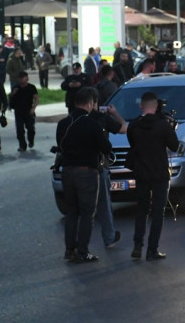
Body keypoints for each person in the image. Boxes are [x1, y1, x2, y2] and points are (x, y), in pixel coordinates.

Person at [56, 87, 111, 263]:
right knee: (87, 214)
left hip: (68, 172)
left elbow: (60, 145)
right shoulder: (91, 124)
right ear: (89, 104)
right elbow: (106, 148)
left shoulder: (63, 123)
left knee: (72, 213)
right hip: (87, 172)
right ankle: (83, 251)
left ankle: (69, 250)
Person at [128, 92, 180, 261]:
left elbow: (132, 144)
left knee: (141, 210)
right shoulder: (162, 126)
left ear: (141, 106)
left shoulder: (134, 125)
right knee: (157, 212)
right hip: (159, 174)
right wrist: (171, 129)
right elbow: (174, 145)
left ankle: (137, 245)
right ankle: (152, 250)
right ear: (156, 106)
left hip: (141, 173)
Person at [90, 100, 127, 249]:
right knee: (103, 203)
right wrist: (114, 113)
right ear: (93, 103)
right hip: (99, 166)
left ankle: (75, 247)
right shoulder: (101, 118)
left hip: (77, 168)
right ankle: (109, 237)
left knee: (80, 209)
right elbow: (124, 128)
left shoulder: (72, 119)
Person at [9, 72, 38, 151]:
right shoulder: (16, 88)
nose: (21, 79)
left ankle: (31, 140)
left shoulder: (31, 87)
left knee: (30, 128)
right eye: (20, 78)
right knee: (19, 129)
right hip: (18, 111)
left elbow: (36, 98)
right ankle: (22, 145)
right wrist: (13, 93)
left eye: (23, 77)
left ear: (27, 78)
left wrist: (33, 108)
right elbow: (10, 97)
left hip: (28, 110)